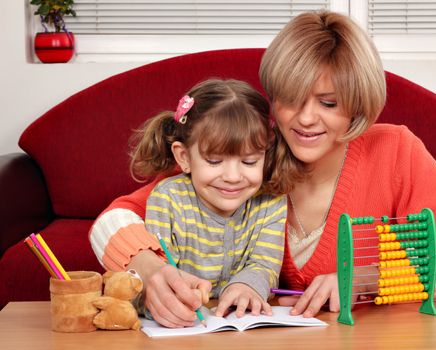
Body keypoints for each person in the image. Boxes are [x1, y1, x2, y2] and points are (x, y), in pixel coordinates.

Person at [89, 11, 436, 327]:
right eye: (291, 99)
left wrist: (367, 281)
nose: (305, 119)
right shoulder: (249, 154)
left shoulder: (396, 151)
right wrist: (151, 268)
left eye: (329, 103)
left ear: (358, 103)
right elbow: (113, 221)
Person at [97, 78, 300, 326]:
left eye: (249, 162)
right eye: (215, 162)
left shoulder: (270, 201)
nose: (233, 177)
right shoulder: (168, 199)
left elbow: (265, 264)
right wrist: (170, 299)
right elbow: (154, 276)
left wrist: (247, 286)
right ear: (184, 157)